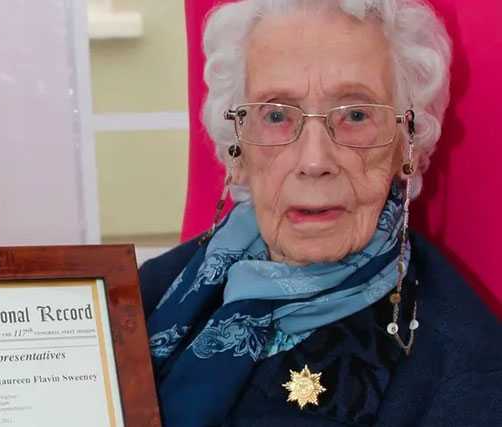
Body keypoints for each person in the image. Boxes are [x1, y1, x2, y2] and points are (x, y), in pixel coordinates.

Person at [139, 1, 502, 426]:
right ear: (236, 148)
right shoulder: (146, 295)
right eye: (276, 115)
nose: (314, 161)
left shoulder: (462, 378)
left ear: (407, 144)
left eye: (356, 115)